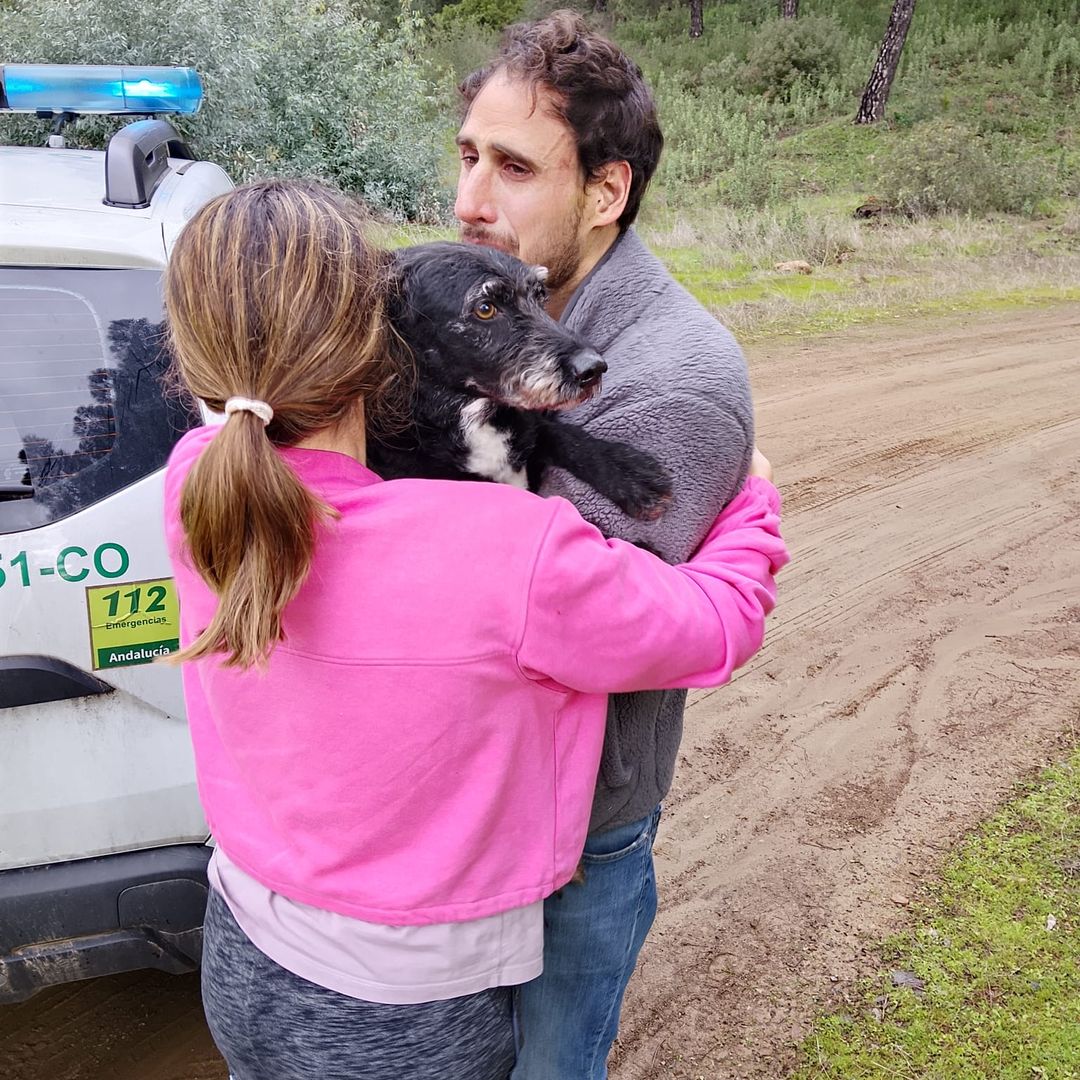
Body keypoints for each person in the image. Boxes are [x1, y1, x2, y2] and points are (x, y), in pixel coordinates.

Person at [163, 178, 786, 1080]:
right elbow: (715, 626)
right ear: (382, 344)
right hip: (407, 1013)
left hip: (242, 951)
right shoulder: (505, 549)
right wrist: (753, 498)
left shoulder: (196, 484)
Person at [454, 11, 760, 1076]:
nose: (469, 200)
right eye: (466, 156)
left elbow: (548, 619)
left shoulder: (674, 377)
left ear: (606, 191)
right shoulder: (484, 314)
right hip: (458, 816)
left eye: (512, 168)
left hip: (571, 838)